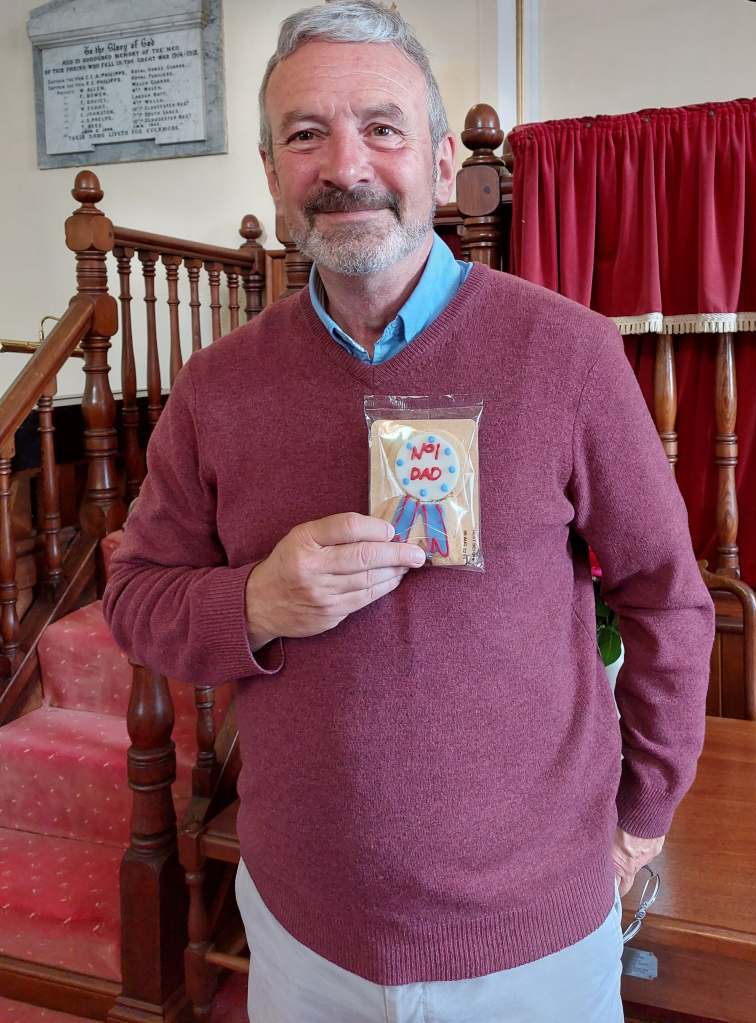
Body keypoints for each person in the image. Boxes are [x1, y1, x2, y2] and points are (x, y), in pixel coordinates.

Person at [103, 2, 715, 1020]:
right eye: (306, 134)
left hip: (531, 939)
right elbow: (134, 597)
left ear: (437, 163)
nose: (345, 165)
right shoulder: (216, 386)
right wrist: (255, 602)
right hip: (304, 934)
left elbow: (666, 598)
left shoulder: (565, 353)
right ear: (271, 174)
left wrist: (641, 820)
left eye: (381, 128)